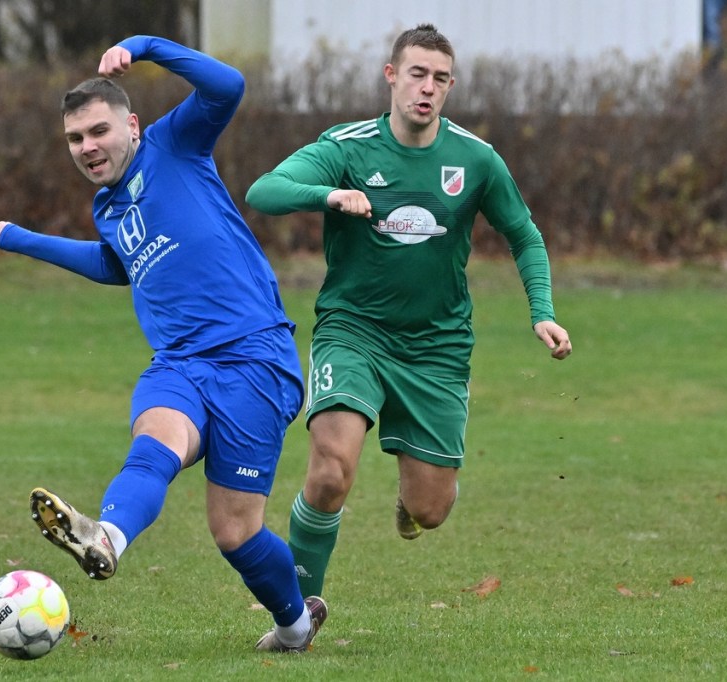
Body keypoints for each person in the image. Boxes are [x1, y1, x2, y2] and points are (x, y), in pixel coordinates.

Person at [0, 35, 326, 652]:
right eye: (75, 139)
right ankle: (105, 538)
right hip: (179, 364)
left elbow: (228, 86)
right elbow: (115, 264)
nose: (87, 147)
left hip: (254, 360)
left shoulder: (174, 144)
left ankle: (295, 624)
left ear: (132, 126)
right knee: (153, 445)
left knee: (235, 533)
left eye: (98, 131)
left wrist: (144, 47)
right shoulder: (107, 206)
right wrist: (21, 238)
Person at [245, 24, 572, 600]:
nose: (428, 87)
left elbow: (524, 234)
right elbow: (264, 191)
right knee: (330, 471)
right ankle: (295, 614)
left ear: (450, 87)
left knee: (431, 510)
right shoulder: (347, 147)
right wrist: (328, 195)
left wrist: (541, 311)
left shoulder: (475, 159)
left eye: (440, 78)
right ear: (391, 76)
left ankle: (411, 498)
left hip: (435, 347)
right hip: (354, 331)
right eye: (417, 74)